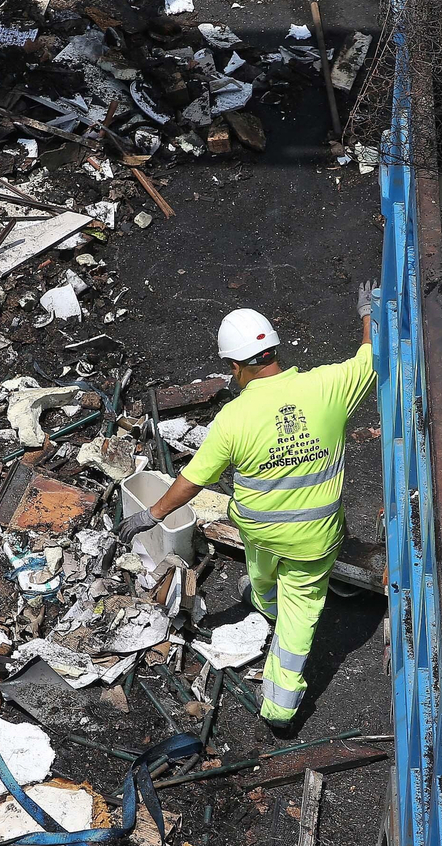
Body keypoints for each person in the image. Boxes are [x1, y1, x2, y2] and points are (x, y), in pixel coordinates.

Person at [118, 282, 378, 732]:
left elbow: (192, 481)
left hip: (258, 528)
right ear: (273, 350)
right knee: (303, 611)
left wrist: (152, 515)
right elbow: (371, 359)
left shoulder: (232, 419)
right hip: (313, 539)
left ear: (236, 366)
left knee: (260, 565)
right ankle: (279, 705)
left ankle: (263, 600)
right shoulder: (329, 385)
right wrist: (368, 315)